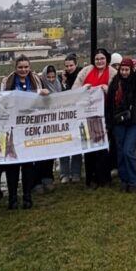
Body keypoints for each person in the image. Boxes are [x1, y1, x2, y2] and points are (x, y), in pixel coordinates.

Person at [1, 55, 49, 208]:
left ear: (30, 67)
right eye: (20, 67)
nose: (23, 70)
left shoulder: (35, 80)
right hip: (13, 127)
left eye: (26, 67)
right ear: (15, 68)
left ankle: (27, 196)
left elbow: (42, 101)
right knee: (12, 164)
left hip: (30, 127)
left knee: (28, 163)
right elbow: (2, 101)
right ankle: (13, 198)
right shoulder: (7, 82)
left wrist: (43, 93)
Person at [72, 48, 115, 189]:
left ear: (107, 59)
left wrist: (108, 89)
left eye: (102, 58)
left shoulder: (113, 73)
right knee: (89, 146)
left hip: (104, 114)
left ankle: (104, 177)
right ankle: (91, 178)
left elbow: (118, 92)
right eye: (97, 59)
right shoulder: (86, 71)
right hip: (87, 114)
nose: (99, 61)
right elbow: (74, 90)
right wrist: (83, 88)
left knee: (102, 146)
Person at [105, 57, 136, 192]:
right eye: (122, 70)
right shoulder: (115, 82)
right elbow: (110, 103)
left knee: (128, 151)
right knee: (120, 152)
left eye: (127, 70)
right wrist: (109, 121)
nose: (124, 72)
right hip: (119, 122)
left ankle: (134, 179)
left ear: (131, 70)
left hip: (134, 121)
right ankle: (124, 179)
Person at [34, 65, 64, 192]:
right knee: (39, 154)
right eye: (49, 77)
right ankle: (37, 180)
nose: (51, 79)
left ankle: (48, 178)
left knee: (50, 153)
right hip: (40, 125)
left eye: (53, 77)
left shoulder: (58, 85)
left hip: (53, 125)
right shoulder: (40, 86)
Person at [58, 54, 83, 184]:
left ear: (76, 64)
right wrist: (63, 81)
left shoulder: (81, 76)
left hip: (78, 114)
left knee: (77, 144)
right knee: (64, 144)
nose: (69, 68)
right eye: (67, 66)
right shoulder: (62, 78)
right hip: (65, 115)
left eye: (71, 65)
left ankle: (76, 172)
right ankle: (64, 173)